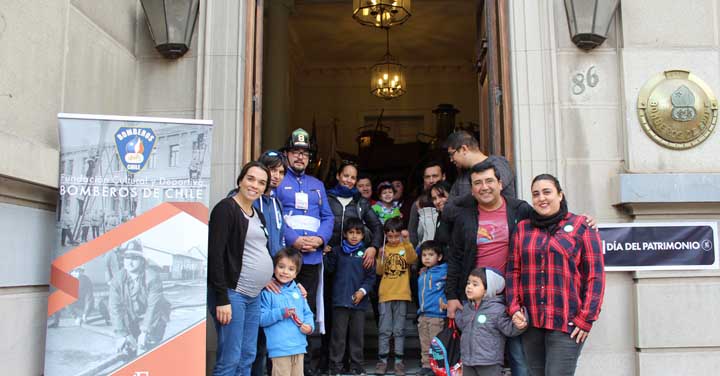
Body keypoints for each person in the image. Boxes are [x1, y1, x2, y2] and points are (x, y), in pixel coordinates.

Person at [506, 174, 605, 376]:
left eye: (547, 192)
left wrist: (586, 318)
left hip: (566, 322)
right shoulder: (522, 229)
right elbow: (513, 271)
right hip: (531, 322)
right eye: (536, 194)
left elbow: (595, 277)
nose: (541, 198)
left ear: (560, 195)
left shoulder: (581, 227)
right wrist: (514, 307)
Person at [445, 161, 532, 375]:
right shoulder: (465, 217)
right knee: (477, 360)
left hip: (511, 297)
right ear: (472, 190)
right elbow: (455, 257)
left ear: (500, 183)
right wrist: (452, 296)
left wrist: (580, 221)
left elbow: (548, 219)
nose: (484, 187)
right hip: (476, 300)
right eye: (477, 183)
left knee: (520, 358)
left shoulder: (519, 209)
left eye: (489, 181)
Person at [276, 128, 334, 376]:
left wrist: (320, 239)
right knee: (282, 310)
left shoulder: (318, 184)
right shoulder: (278, 180)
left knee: (306, 311)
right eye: (296, 152)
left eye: (305, 153)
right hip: (285, 259)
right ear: (287, 154)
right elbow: (274, 215)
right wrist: (294, 240)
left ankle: (305, 366)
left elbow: (328, 216)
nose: (300, 157)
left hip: (311, 259)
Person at [208, 161, 275, 376]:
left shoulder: (258, 215)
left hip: (254, 296)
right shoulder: (226, 209)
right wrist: (222, 299)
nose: (255, 185)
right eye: (251, 179)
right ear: (240, 180)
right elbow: (215, 256)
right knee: (230, 358)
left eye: (262, 182)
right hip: (232, 294)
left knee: (248, 355)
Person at [322, 162, 382, 372]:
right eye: (345, 175)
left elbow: (376, 227)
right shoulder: (326, 197)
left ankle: (353, 364)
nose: (349, 180)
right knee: (332, 318)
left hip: (355, 264)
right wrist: (323, 245)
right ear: (338, 175)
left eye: (352, 177)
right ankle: (330, 363)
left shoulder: (361, 202)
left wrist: (373, 247)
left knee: (354, 327)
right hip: (332, 260)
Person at [325, 218, 376, 375]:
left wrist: (362, 291)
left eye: (358, 233)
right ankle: (335, 366)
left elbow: (371, 277)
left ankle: (356, 366)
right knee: (338, 337)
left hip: (358, 302)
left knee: (357, 337)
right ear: (345, 234)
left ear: (363, 235)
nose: (354, 236)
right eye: (351, 232)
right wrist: (325, 254)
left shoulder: (366, 253)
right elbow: (329, 270)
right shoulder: (337, 251)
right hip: (340, 300)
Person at [457, 267, 526, 376]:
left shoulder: (497, 310)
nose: (469, 287)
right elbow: (462, 325)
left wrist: (520, 323)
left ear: (488, 289)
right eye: (468, 283)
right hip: (467, 361)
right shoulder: (467, 308)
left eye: (475, 284)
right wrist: (456, 312)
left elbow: (509, 330)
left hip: (490, 362)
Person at [109, 239, 170, 358]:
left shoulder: (152, 278)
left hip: (154, 319)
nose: (129, 262)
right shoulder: (118, 278)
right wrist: (122, 334)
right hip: (132, 318)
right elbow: (114, 307)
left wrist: (145, 332)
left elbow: (154, 307)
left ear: (142, 261)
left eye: (134, 258)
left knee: (147, 350)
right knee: (128, 350)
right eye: (127, 257)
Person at [260, 248, 315, 376]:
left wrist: (310, 326)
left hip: (299, 347)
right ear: (274, 268)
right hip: (279, 350)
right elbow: (261, 319)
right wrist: (280, 313)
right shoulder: (268, 293)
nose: (285, 272)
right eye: (281, 267)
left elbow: (307, 313)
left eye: (291, 269)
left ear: (296, 274)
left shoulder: (298, 292)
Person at [375, 218, 417, 375]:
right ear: (386, 235)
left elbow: (413, 259)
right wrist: (380, 257)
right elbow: (379, 272)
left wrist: (406, 241)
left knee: (399, 330)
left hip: (402, 294)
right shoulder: (384, 249)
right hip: (385, 295)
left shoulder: (404, 247)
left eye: (396, 236)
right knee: (385, 330)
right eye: (390, 236)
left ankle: (399, 362)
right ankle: (382, 361)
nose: (393, 239)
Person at [415, 240, 448, 376]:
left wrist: (445, 303)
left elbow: (450, 286)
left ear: (439, 257)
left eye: (430, 254)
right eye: (424, 255)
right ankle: (426, 365)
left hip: (437, 314)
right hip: (423, 314)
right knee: (425, 343)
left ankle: (438, 367)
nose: (427, 258)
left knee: (436, 345)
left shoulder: (444, 271)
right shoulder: (423, 273)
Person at [408, 161, 446, 246]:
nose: (431, 180)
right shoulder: (418, 204)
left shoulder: (450, 198)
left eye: (435, 176)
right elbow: (412, 235)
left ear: (443, 176)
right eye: (427, 177)